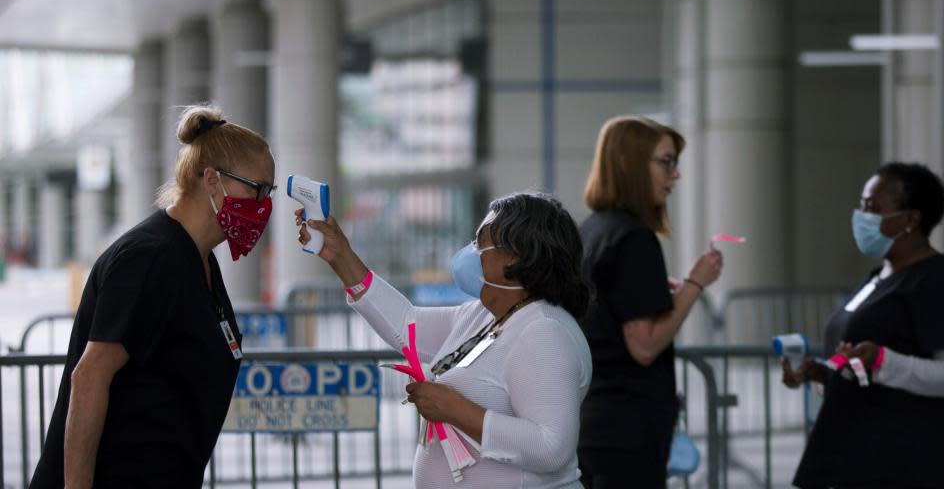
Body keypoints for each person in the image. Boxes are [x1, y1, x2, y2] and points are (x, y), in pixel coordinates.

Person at [31, 105, 275, 488]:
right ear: (212, 180)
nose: (264, 206)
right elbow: (90, 375)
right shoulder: (149, 257)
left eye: (269, 192)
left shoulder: (201, 262)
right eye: (256, 189)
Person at [297, 192, 592, 488]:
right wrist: (340, 255)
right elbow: (405, 323)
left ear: (515, 255)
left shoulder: (544, 332)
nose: (471, 252)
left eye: (481, 243)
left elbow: (552, 448)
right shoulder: (484, 315)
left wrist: (454, 409)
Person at [784, 162, 944, 489]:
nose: (862, 217)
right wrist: (822, 373)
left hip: (901, 462)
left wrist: (883, 361)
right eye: (861, 207)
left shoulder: (938, 281)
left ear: (910, 220)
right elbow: (860, 366)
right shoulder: (877, 280)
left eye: (873, 208)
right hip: (851, 454)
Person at [576, 115, 722, 488]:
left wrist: (657, 294)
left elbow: (611, 312)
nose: (675, 175)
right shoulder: (634, 239)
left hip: (591, 424)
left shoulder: (591, 231)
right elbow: (644, 345)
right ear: (630, 163)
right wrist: (695, 284)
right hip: (627, 432)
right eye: (666, 161)